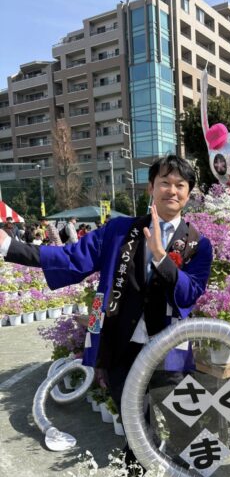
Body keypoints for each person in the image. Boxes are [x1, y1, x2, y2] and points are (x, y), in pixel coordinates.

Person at [0, 154, 213, 423]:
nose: (172, 190)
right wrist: (9, 246)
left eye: (180, 185)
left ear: (188, 193)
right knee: (132, 421)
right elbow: (71, 258)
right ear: (151, 187)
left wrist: (161, 257)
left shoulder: (198, 244)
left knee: (179, 423)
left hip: (171, 350)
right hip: (120, 344)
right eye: (164, 182)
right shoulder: (118, 231)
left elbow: (190, 293)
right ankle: (134, 452)